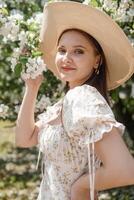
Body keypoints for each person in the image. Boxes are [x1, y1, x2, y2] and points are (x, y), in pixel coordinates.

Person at [15, 1, 134, 200]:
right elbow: (24, 138)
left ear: (97, 60)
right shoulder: (66, 102)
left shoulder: (83, 97)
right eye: (62, 50)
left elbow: (125, 170)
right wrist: (32, 87)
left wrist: (81, 187)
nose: (66, 58)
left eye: (78, 51)